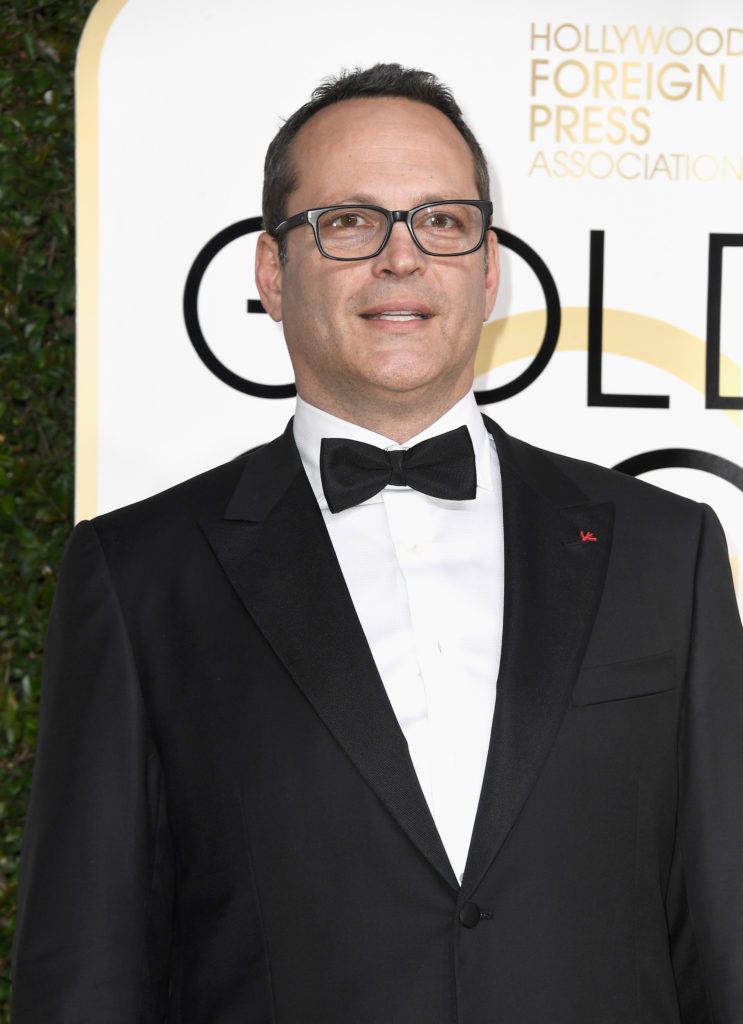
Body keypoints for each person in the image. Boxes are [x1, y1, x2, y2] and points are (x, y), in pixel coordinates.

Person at [10, 62, 743, 1023]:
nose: (402, 258)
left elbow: (726, 932)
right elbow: (86, 974)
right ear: (273, 272)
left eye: (441, 221)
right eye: (349, 222)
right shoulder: (139, 575)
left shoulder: (665, 548)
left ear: (487, 271)